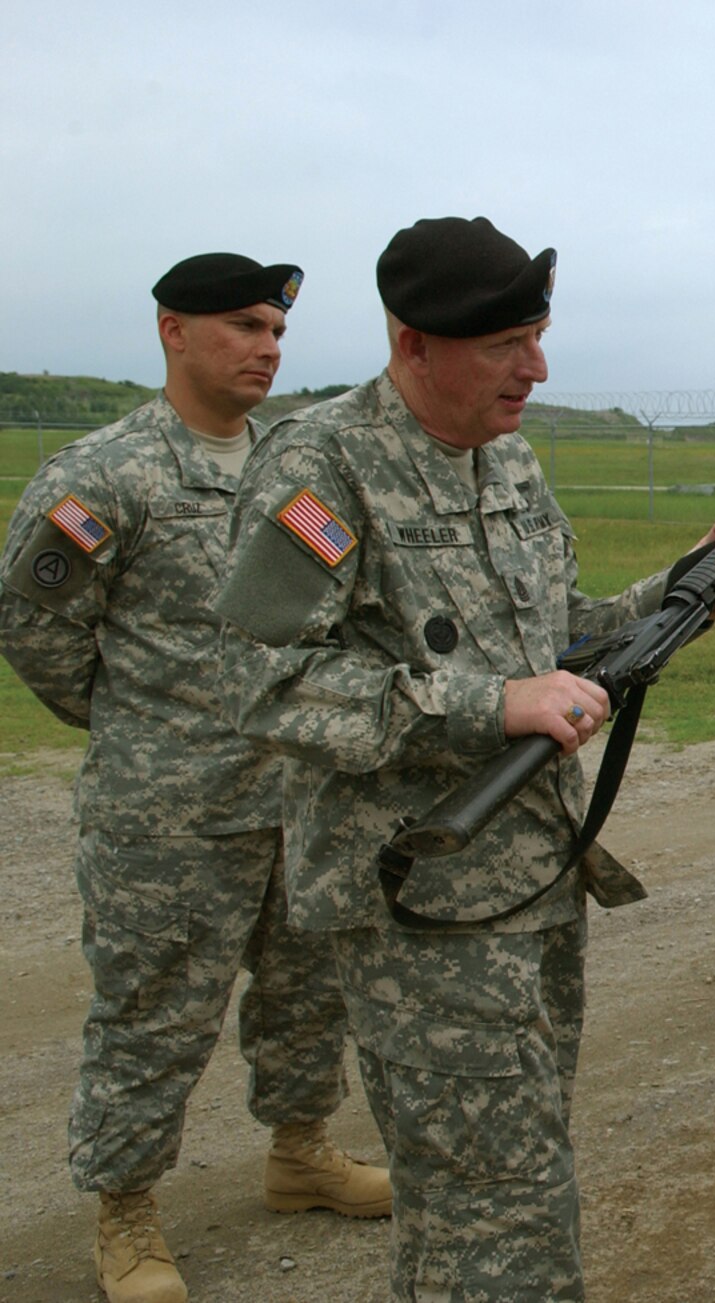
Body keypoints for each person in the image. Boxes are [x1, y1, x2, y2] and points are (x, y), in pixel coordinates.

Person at [211, 215, 715, 1301]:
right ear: (414, 343)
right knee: (497, 1196)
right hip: (417, 894)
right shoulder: (321, 467)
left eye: (540, 334)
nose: (538, 366)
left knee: (487, 1178)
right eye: (507, 343)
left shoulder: (507, 462)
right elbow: (260, 679)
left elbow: (564, 639)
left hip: (533, 876)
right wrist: (485, 703)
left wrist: (682, 593)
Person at [0, 255, 390, 1303]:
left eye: (276, 330)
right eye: (244, 327)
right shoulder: (109, 473)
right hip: (167, 817)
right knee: (155, 1016)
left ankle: (300, 1151)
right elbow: (36, 630)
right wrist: (137, 724)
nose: (267, 347)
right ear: (174, 331)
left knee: (308, 994)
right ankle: (125, 1214)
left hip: (295, 793)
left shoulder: (292, 464)